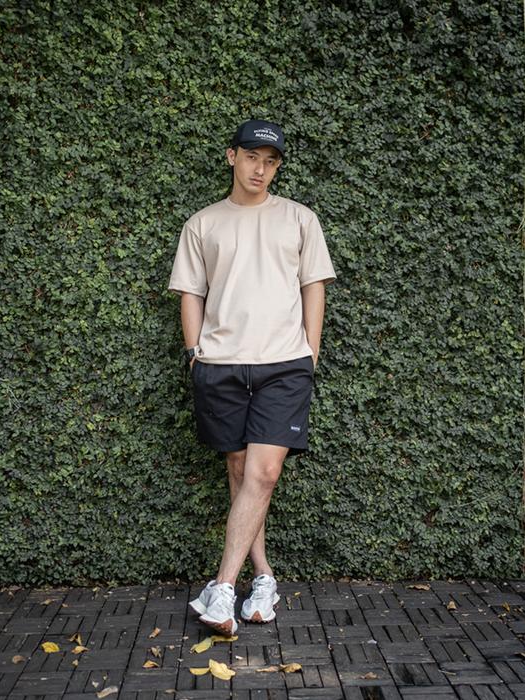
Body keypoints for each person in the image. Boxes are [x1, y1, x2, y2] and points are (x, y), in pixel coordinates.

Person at [168, 119, 336, 636]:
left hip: (284, 364)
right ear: (232, 157)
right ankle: (262, 578)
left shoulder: (300, 219)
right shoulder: (203, 224)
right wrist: (194, 355)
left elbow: (314, 285)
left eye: (270, 161)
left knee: (263, 473)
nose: (260, 169)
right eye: (251, 158)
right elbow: (191, 292)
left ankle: (221, 589)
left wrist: (310, 353)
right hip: (219, 364)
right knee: (241, 473)